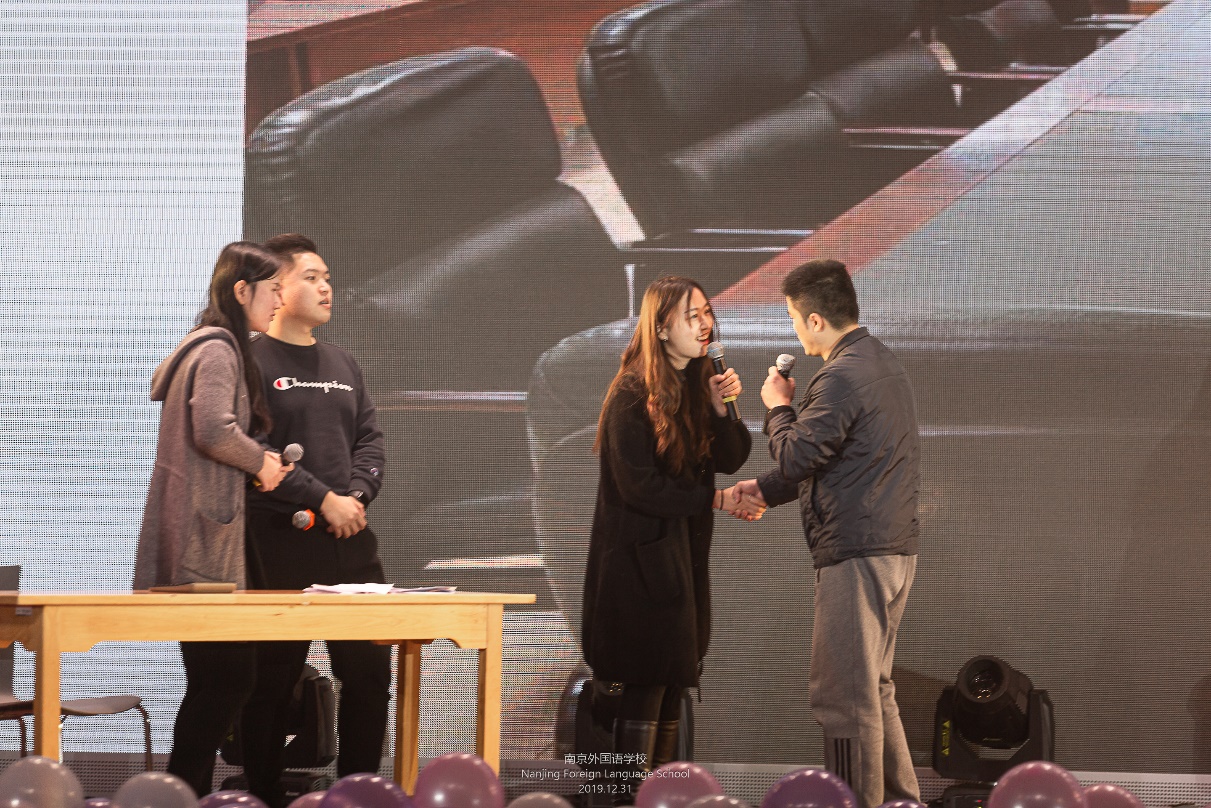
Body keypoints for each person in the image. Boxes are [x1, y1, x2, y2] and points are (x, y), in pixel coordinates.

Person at [734, 259, 921, 808]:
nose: (795, 331)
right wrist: (762, 491)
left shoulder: (839, 377)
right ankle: (901, 801)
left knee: (843, 699)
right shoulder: (879, 361)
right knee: (874, 690)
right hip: (889, 549)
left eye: (794, 319)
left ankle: (856, 802)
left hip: (857, 555)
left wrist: (778, 407)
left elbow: (796, 455)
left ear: (815, 320)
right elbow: (834, 458)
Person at [581, 276, 763, 802]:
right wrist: (716, 500)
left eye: (707, 313)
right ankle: (628, 798)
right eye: (692, 315)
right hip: (637, 573)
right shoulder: (631, 391)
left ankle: (655, 798)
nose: (705, 324)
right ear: (661, 328)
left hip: (678, 566)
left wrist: (722, 409)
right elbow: (639, 486)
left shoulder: (697, 383)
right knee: (645, 687)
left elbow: (731, 458)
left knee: (668, 690)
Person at [133, 241, 291, 796]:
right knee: (229, 680)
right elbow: (214, 430)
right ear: (242, 290)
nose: (279, 301)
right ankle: (179, 791)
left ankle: (182, 793)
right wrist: (261, 462)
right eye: (273, 289)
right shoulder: (220, 349)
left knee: (213, 681)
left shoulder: (206, 346)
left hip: (197, 538)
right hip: (203, 545)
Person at [238, 233, 389, 807]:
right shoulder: (249, 359)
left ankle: (358, 792)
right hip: (280, 538)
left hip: (350, 537)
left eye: (328, 277)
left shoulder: (343, 361)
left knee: (370, 671)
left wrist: (355, 497)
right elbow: (254, 450)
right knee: (273, 677)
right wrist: (324, 499)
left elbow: (369, 438)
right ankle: (262, 792)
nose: (326, 287)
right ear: (277, 288)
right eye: (311, 277)